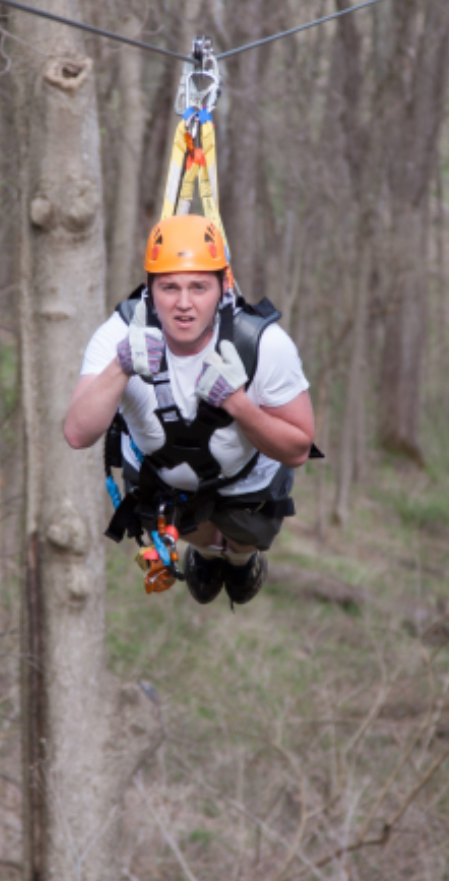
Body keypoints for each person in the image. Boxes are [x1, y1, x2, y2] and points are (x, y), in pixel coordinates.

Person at [63, 214, 316, 606]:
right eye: (169, 287)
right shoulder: (118, 334)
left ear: (223, 287)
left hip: (248, 482)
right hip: (164, 481)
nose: (183, 303)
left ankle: (241, 560)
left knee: (243, 533)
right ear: (149, 288)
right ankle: (208, 555)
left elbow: (298, 449)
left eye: (198, 287)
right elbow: (77, 433)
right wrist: (121, 366)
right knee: (194, 526)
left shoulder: (263, 344)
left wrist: (238, 404)